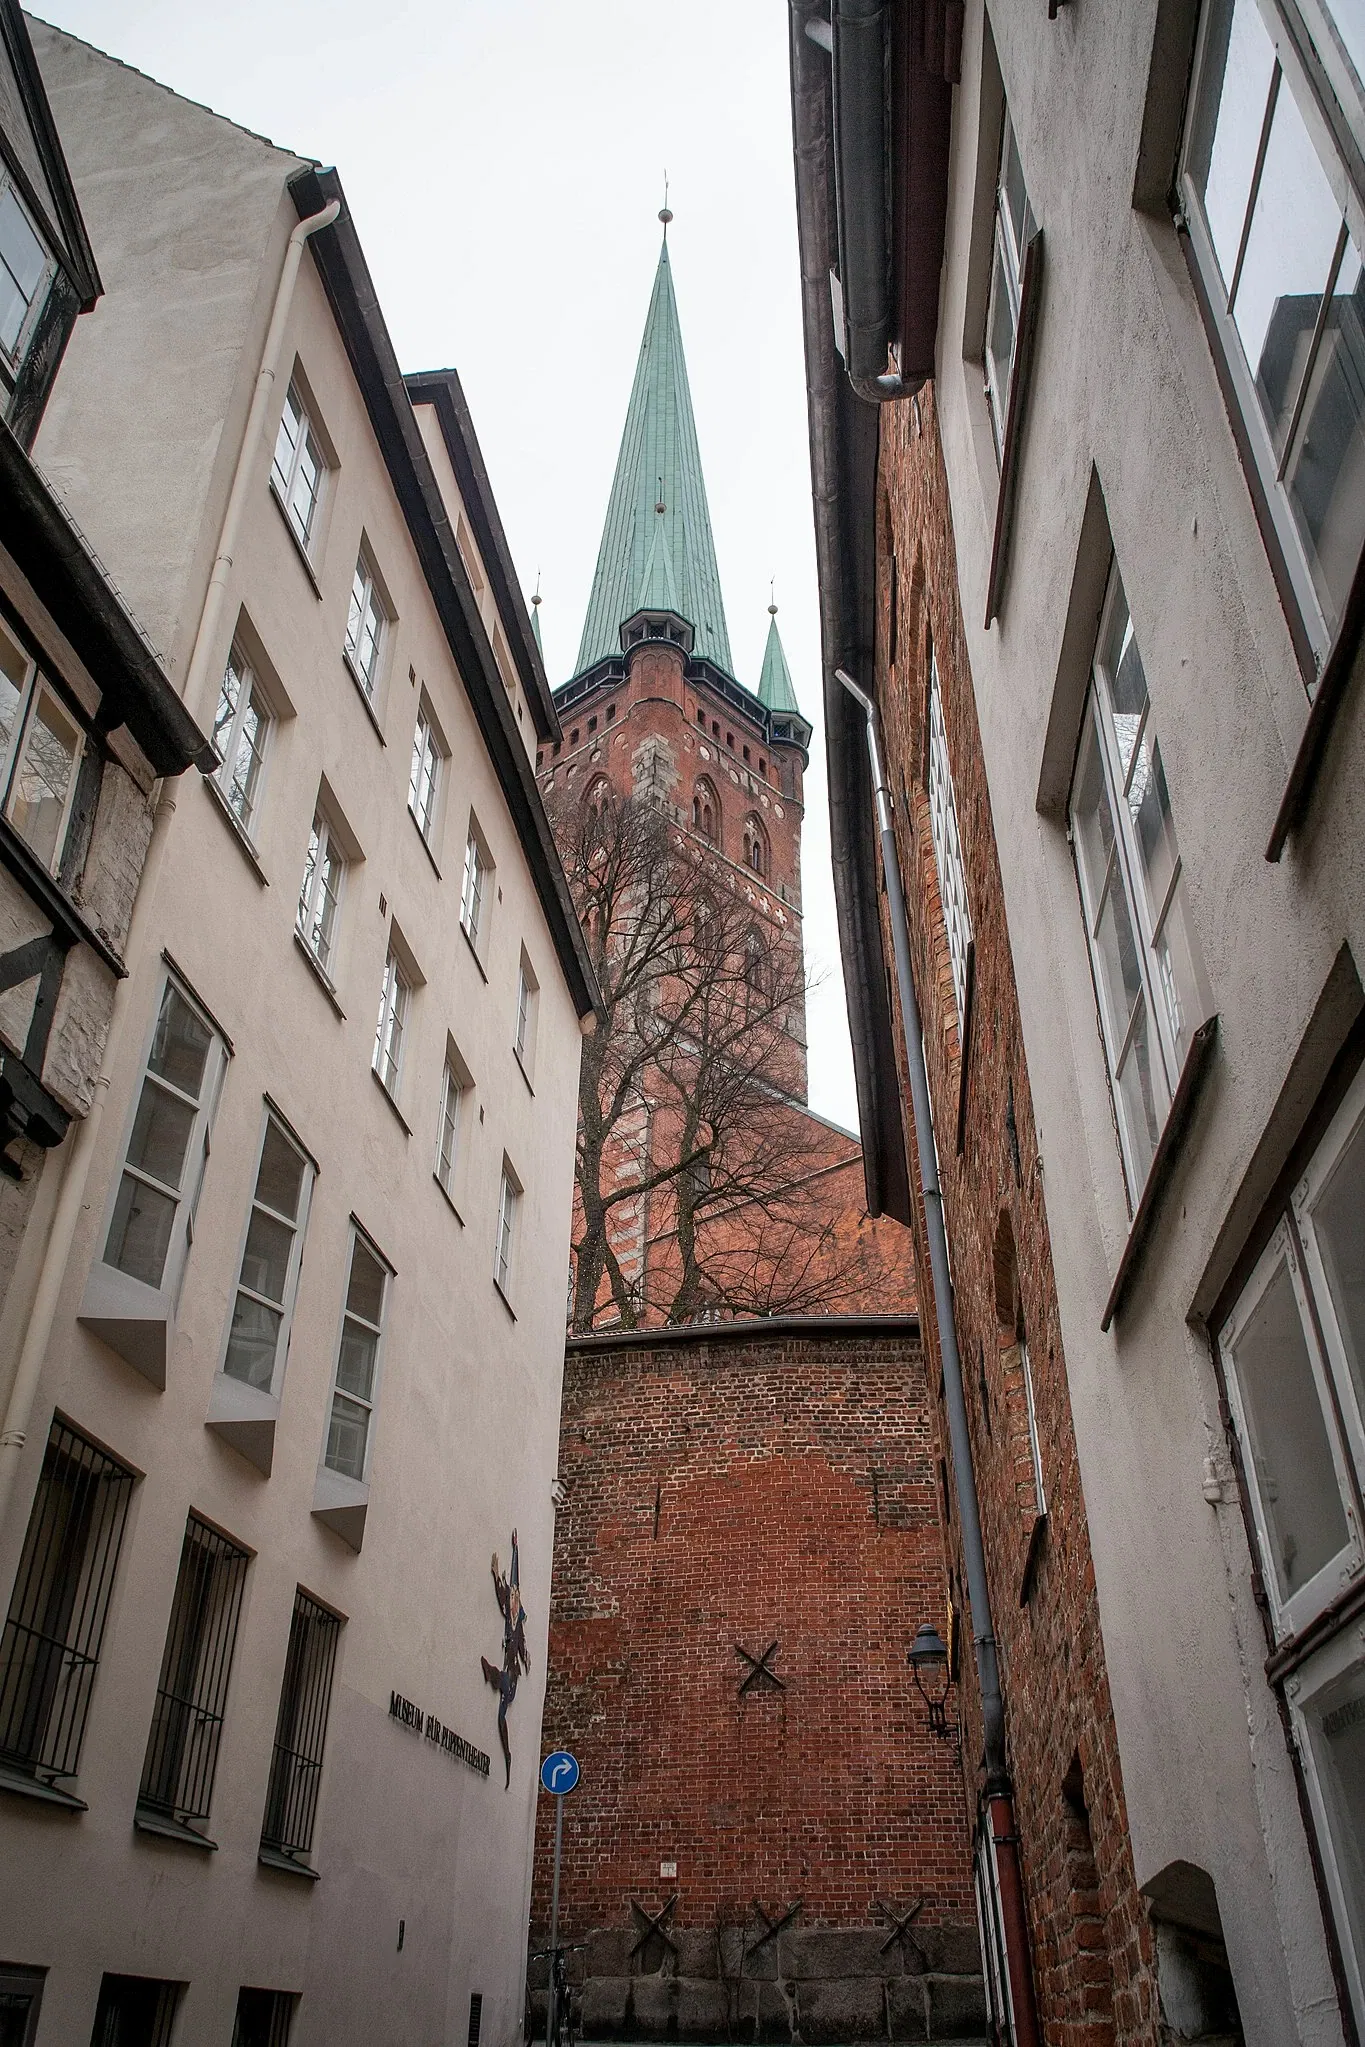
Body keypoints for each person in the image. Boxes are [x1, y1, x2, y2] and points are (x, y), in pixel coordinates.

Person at [481, 1528, 529, 1788]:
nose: (512, 1600)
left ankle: (493, 1674)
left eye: (515, 1598)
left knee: (504, 1698)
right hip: (506, 1677)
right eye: (511, 1597)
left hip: (510, 1677)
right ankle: (508, 1760)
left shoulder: (517, 1627)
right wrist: (497, 1572)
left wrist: (516, 1549)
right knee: (501, 1716)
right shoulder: (510, 1617)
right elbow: (506, 1585)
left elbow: (515, 1575)